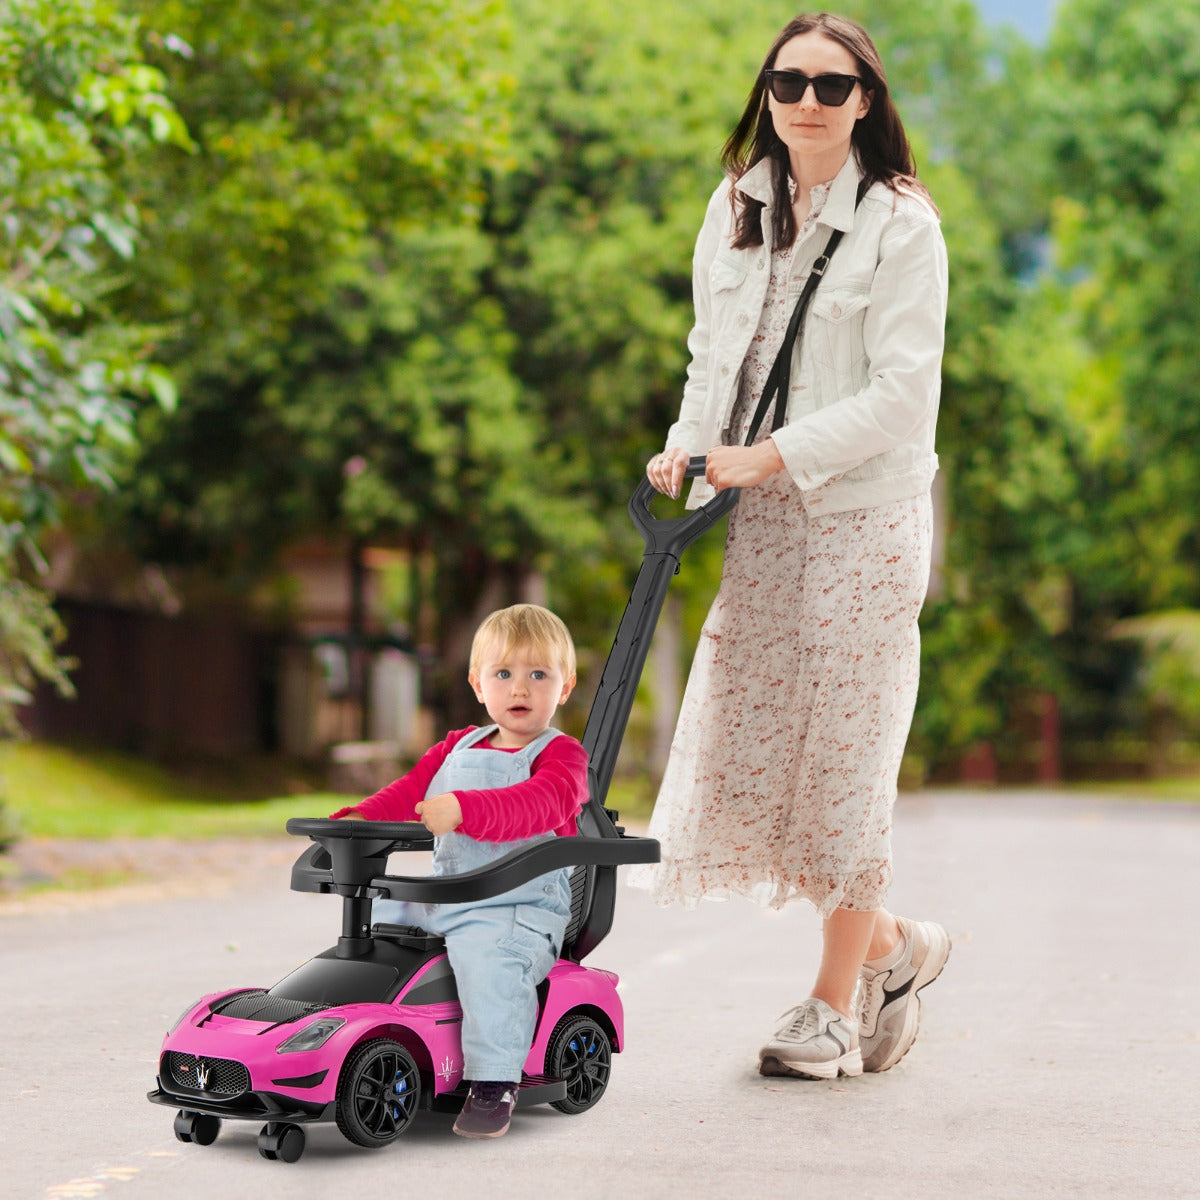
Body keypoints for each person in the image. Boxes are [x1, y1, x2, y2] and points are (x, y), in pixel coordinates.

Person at [631, 11, 951, 1081]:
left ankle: (829, 1006)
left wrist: (774, 453)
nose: (807, 102)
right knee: (763, 758)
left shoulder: (902, 223)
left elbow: (904, 395)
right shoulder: (731, 208)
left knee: (849, 753)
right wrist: (686, 446)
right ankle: (899, 949)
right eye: (788, 83)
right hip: (756, 519)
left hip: (864, 513)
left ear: (866, 100)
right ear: (766, 95)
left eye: (831, 84)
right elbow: (709, 355)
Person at [331, 603, 587, 1137]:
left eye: (539, 674)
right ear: (477, 683)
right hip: (449, 896)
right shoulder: (458, 746)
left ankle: (494, 1082)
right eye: (504, 673)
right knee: (378, 923)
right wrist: (359, 820)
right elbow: (409, 793)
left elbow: (540, 805)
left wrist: (466, 809)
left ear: (565, 687)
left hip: (517, 909)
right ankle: (353, 1036)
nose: (520, 688)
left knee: (489, 963)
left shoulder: (562, 757)